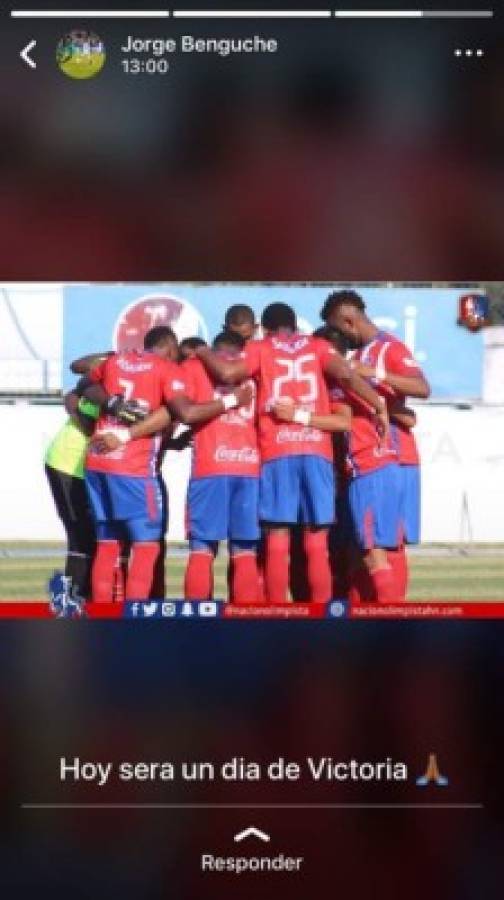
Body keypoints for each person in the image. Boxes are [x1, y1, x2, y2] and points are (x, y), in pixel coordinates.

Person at [196, 302, 388, 603]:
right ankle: (322, 615)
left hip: (278, 448)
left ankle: (276, 614)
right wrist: (379, 404)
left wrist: (202, 351)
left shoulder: (261, 347)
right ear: (295, 327)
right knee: (316, 541)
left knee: (277, 537)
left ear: (267, 328)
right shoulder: (319, 346)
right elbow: (349, 376)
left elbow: (229, 373)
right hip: (317, 449)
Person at [83, 325, 251, 602]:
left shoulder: (116, 360)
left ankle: (103, 621)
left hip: (98, 462)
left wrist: (111, 403)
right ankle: (137, 621)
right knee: (146, 546)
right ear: (171, 348)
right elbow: (184, 412)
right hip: (133, 469)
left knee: (107, 542)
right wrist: (232, 399)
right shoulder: (167, 369)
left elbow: (84, 384)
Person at [321, 289, 430, 600]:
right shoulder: (355, 356)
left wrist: (376, 374)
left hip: (381, 459)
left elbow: (422, 387)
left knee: (374, 549)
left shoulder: (387, 348)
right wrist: (389, 408)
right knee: (374, 546)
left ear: (348, 320)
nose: (338, 335)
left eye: (337, 328)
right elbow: (394, 409)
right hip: (388, 458)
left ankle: (389, 622)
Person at [181, 330, 260, 603]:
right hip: (249, 468)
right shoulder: (254, 367)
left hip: (210, 466)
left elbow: (183, 410)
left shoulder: (195, 365)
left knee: (202, 550)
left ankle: (197, 625)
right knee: (245, 552)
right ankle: (250, 624)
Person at [44, 392, 100, 600]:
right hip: (68, 464)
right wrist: (81, 418)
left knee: (96, 538)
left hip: (92, 468)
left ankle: (87, 600)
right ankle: (74, 603)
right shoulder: (107, 371)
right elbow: (72, 394)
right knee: (81, 537)